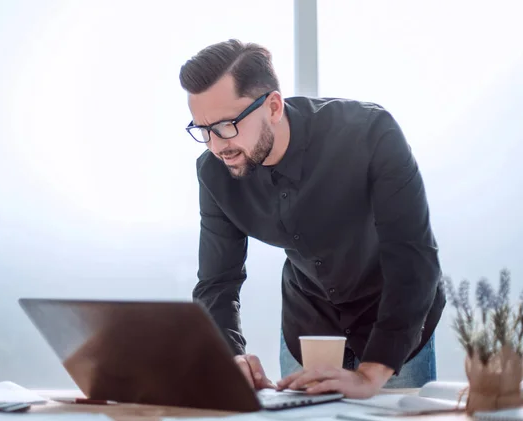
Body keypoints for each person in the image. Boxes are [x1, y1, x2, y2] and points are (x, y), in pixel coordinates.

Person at [178, 39, 446, 399]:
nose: (216, 145)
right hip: (308, 330)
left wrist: (371, 373)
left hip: (394, 328)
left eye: (227, 125)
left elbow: (413, 257)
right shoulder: (214, 172)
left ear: (273, 106)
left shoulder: (369, 133)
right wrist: (231, 357)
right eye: (203, 130)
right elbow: (217, 282)